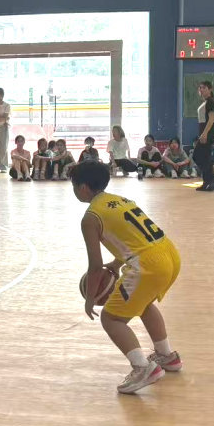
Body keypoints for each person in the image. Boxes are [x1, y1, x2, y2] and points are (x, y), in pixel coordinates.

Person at [71, 160, 182, 394]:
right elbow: (135, 237)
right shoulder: (120, 200)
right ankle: (167, 355)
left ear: (83, 188)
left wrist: (90, 298)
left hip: (149, 265)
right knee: (144, 303)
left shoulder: (91, 217)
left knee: (111, 318)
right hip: (169, 254)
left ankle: (143, 368)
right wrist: (117, 263)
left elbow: (95, 266)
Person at [193, 81, 214, 191]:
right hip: (205, 132)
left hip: (208, 133)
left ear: (210, 89)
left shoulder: (210, 102)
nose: (201, 90)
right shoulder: (206, 102)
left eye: (204, 88)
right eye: (200, 88)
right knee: (205, 157)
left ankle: (212, 178)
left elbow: (211, 119)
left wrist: (204, 134)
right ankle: (207, 182)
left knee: (197, 156)